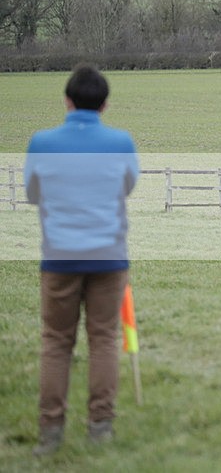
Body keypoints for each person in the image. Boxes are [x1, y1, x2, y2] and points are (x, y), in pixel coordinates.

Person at [25, 64, 139, 456]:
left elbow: (33, 194)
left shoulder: (41, 142)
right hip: (108, 255)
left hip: (59, 257)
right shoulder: (121, 142)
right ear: (105, 105)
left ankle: (50, 431)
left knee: (56, 343)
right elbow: (127, 187)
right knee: (104, 338)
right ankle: (100, 426)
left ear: (67, 101)